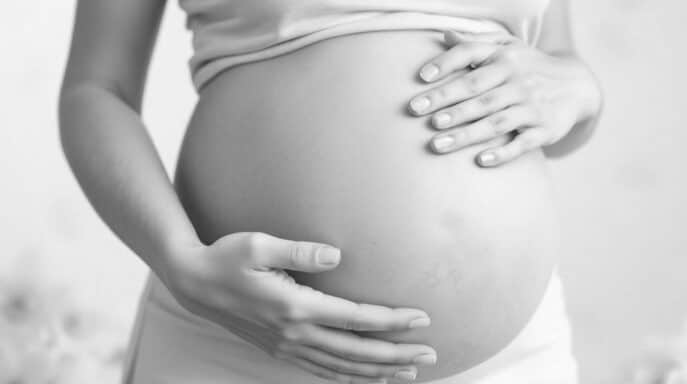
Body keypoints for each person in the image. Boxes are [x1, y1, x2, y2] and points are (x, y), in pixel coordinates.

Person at [58, 0, 602, 382]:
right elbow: (97, 88)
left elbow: (559, 73)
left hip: (506, 361)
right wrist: (181, 263)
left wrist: (581, 91)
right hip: (234, 339)